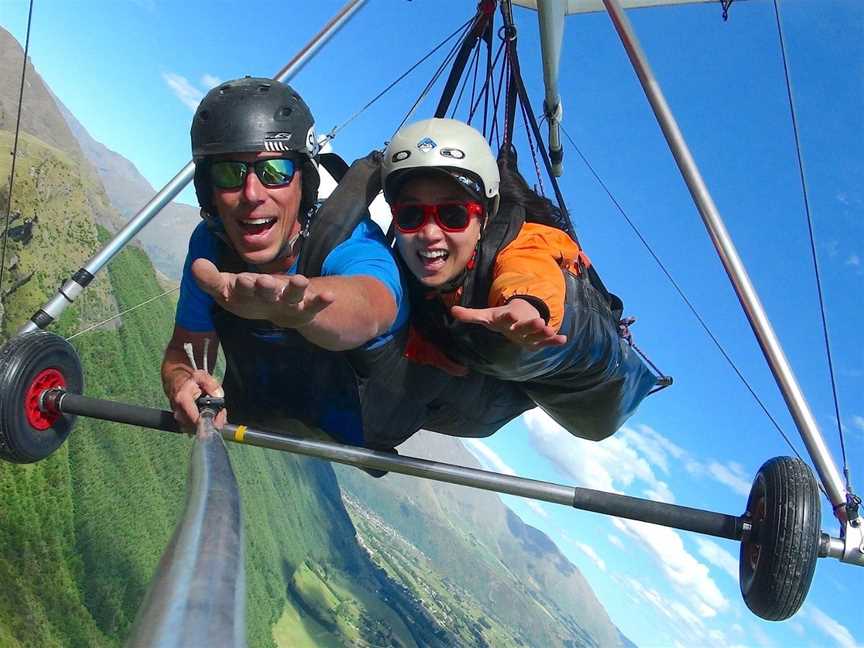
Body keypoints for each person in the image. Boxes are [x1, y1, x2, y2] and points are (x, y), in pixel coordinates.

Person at [161, 78, 531, 452]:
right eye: (229, 174)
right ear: (208, 191)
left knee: (497, 385)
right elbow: (185, 349)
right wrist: (181, 381)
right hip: (280, 413)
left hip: (432, 402)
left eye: (275, 172)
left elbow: (371, 304)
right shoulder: (210, 247)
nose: (252, 194)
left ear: (303, 183)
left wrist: (305, 311)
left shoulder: (349, 241)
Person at [382, 118, 660, 441]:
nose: (430, 233)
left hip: (562, 365)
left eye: (453, 215)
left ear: (484, 218)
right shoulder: (413, 271)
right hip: (480, 370)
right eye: (411, 215)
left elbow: (527, 272)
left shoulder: (523, 242)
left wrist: (526, 308)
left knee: (502, 350)